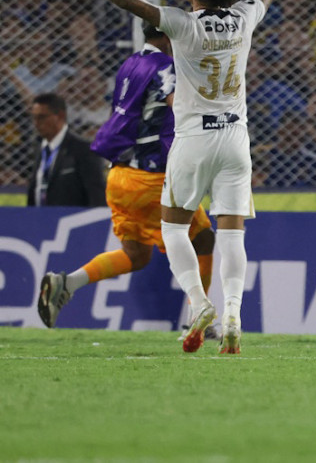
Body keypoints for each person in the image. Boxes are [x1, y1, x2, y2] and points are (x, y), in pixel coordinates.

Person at [42, 0, 278, 355]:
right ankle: (233, 313)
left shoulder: (182, 25)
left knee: (175, 230)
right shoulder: (245, 16)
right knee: (230, 237)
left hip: (192, 140)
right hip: (236, 138)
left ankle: (198, 303)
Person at [39, 30, 216, 331]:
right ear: (167, 35)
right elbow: (180, 107)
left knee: (136, 255)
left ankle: (67, 283)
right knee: (203, 238)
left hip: (120, 176)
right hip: (150, 177)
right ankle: (195, 321)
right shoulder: (166, 67)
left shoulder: (130, 64)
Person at [27, 92, 106, 208]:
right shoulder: (38, 149)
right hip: (39, 221)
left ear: (60, 116)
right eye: (34, 117)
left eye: (42, 117)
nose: (36, 123)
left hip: (70, 221)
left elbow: (97, 195)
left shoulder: (83, 150)